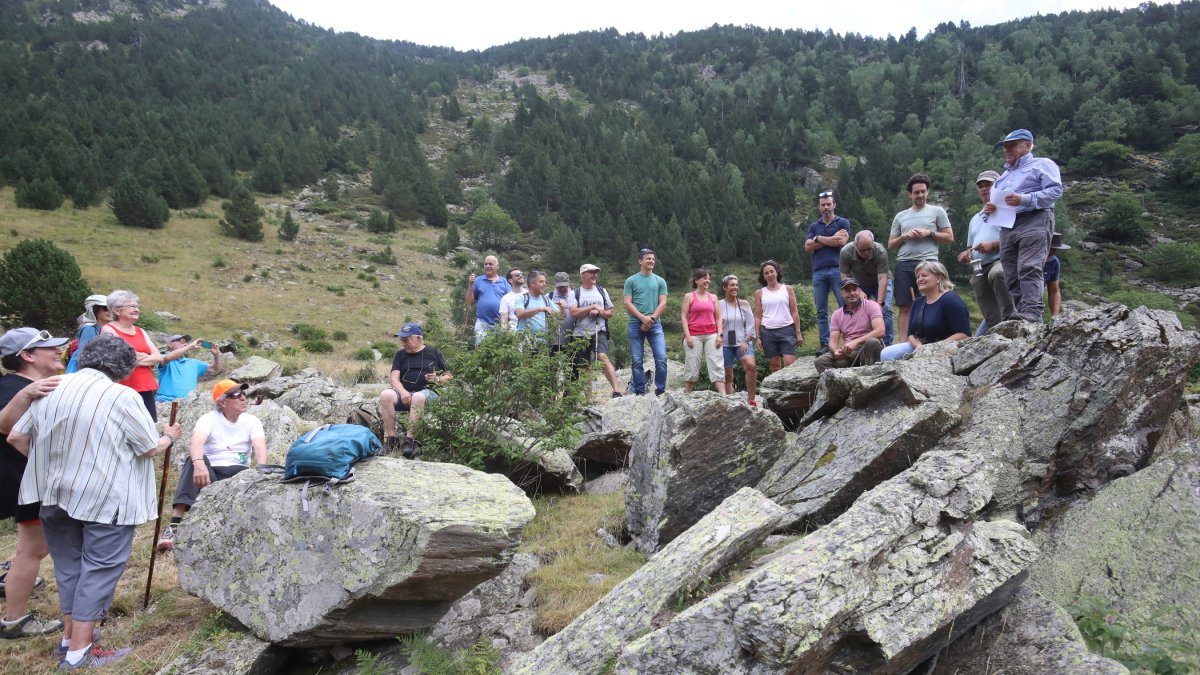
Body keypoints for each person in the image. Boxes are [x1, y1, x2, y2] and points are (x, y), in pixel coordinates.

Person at [10, 335, 180, 670]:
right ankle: (79, 654)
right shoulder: (122, 395)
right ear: (123, 367)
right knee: (99, 569)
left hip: (53, 494)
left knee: (69, 566)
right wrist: (170, 436)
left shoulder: (52, 387)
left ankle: (69, 639)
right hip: (106, 498)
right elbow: (148, 447)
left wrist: (50, 465)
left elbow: (16, 436)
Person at [0, 328, 68, 640]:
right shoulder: (14, 386)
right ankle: (13, 620)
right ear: (26, 356)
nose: (58, 352)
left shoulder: (31, 385)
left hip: (29, 478)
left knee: (32, 549)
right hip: (26, 480)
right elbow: (5, 426)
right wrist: (26, 395)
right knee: (33, 549)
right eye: (49, 348)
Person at [156, 379, 265, 551]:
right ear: (222, 402)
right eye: (237, 395)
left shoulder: (252, 421)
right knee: (194, 461)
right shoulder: (208, 419)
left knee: (200, 462)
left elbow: (259, 447)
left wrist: (262, 470)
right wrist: (199, 464)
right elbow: (195, 443)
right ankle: (174, 526)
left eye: (243, 393)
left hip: (239, 474)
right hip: (210, 473)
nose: (243, 398)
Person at [984, 129, 1064, 322]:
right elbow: (997, 206)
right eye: (1005, 146)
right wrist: (988, 212)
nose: (1007, 150)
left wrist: (1024, 199)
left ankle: (1032, 313)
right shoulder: (1002, 177)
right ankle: (1023, 314)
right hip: (1007, 225)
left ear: (1027, 146)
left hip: (1035, 219)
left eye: (1012, 145)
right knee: (1010, 273)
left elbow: (1055, 191)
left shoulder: (1042, 164)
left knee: (1029, 266)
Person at [888, 174, 954, 343]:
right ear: (909, 194)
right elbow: (891, 245)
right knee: (904, 306)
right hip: (904, 263)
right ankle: (903, 345)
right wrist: (905, 236)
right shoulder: (900, 216)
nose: (920, 196)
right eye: (916, 192)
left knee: (931, 301)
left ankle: (930, 340)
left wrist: (929, 233)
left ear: (927, 192)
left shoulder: (937, 211)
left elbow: (949, 237)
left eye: (923, 192)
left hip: (929, 263)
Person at [379, 322, 451, 458]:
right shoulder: (400, 355)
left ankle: (409, 441)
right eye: (402, 339)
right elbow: (394, 378)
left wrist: (436, 380)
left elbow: (448, 376)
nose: (403, 342)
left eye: (406, 339)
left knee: (418, 396)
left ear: (418, 338)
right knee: (385, 395)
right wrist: (403, 392)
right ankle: (391, 440)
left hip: (428, 394)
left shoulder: (434, 352)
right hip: (405, 394)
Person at [957, 170, 1015, 333]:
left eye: (988, 185)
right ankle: (997, 333)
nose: (984, 189)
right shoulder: (975, 219)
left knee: (997, 274)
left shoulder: (1006, 210)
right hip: (980, 267)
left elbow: (1016, 238)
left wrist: (994, 245)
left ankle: (1013, 319)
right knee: (990, 313)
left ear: (998, 186)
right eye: (980, 186)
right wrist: (966, 254)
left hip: (1001, 261)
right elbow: (971, 246)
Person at [881, 261, 971, 361]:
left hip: (946, 349)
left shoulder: (951, 300)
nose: (919, 279)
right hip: (922, 348)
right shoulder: (918, 302)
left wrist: (935, 348)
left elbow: (964, 334)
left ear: (939, 278)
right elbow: (911, 334)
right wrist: (920, 347)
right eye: (918, 277)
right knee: (886, 353)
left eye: (924, 275)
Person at [99, 289, 161, 419]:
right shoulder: (108, 329)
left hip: (145, 387)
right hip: (123, 387)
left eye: (137, 306)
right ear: (116, 310)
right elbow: (123, 356)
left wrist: (132, 360)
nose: (137, 309)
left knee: (150, 426)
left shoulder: (140, 331)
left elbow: (157, 357)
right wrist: (143, 357)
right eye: (132, 306)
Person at [805, 191, 852, 353]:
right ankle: (825, 344)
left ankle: (850, 340)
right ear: (819, 207)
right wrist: (831, 238)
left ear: (834, 205)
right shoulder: (813, 226)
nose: (826, 207)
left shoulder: (843, 222)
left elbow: (841, 241)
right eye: (823, 205)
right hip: (818, 272)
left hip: (838, 269)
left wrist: (818, 238)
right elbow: (807, 247)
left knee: (845, 305)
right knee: (821, 311)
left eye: (828, 204)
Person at [570, 264, 623, 398]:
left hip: (600, 330)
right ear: (583, 275)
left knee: (602, 357)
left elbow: (610, 312)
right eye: (591, 273)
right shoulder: (575, 293)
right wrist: (591, 308)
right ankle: (588, 398)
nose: (595, 275)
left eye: (596, 273)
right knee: (585, 365)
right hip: (580, 334)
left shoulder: (601, 291)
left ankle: (616, 391)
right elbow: (574, 313)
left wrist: (601, 311)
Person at [623, 248, 668, 396]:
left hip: (655, 324)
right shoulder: (631, 281)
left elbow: (663, 303)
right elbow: (627, 303)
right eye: (648, 258)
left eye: (653, 259)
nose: (651, 261)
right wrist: (643, 318)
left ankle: (660, 392)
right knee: (636, 360)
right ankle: (640, 392)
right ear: (640, 261)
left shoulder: (660, 281)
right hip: (635, 324)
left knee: (661, 359)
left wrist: (652, 319)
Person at [815, 279, 885, 373]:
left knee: (872, 342)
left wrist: (855, 342)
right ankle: (841, 385)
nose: (852, 293)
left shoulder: (871, 305)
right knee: (820, 361)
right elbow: (832, 342)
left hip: (868, 348)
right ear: (841, 293)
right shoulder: (837, 314)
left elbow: (880, 331)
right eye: (847, 290)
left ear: (859, 291)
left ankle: (872, 378)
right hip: (849, 353)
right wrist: (836, 350)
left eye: (855, 289)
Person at [840, 231, 894, 346]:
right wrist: (858, 291)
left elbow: (882, 279)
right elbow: (845, 276)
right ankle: (859, 344)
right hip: (859, 283)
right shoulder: (845, 252)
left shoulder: (880, 251)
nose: (866, 253)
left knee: (886, 309)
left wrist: (880, 302)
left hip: (880, 281)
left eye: (869, 249)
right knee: (858, 310)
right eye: (862, 250)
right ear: (855, 245)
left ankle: (888, 345)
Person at [680, 268, 726, 394]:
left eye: (708, 278)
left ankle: (723, 396)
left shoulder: (713, 297)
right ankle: (687, 394)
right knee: (692, 364)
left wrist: (719, 335)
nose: (708, 281)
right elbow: (684, 317)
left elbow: (718, 317)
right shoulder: (689, 297)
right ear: (696, 280)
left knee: (716, 363)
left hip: (712, 334)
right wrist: (688, 336)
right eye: (705, 278)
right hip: (694, 335)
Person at [754, 259, 804, 373]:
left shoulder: (787, 289)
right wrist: (757, 336)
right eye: (766, 273)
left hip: (787, 329)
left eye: (772, 271)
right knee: (774, 366)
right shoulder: (759, 293)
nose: (770, 274)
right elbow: (757, 316)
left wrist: (798, 333)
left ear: (777, 272)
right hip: (768, 332)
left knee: (789, 363)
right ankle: (778, 390)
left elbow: (794, 312)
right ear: (763, 276)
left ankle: (791, 389)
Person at [718, 274, 757, 407]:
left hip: (742, 342)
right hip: (724, 344)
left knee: (750, 365)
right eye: (732, 285)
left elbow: (751, 324)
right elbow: (713, 323)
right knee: (728, 376)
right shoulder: (718, 304)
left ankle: (751, 400)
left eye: (736, 285)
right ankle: (730, 403)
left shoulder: (744, 304)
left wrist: (746, 341)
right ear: (725, 287)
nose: (735, 287)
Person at [156, 334, 222, 403]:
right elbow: (168, 358)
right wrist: (190, 347)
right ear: (170, 345)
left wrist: (216, 355)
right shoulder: (162, 357)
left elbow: (215, 369)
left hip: (186, 404)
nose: (185, 344)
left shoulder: (194, 362)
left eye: (186, 343)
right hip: (165, 402)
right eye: (182, 342)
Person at [466, 256, 512, 344]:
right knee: (481, 347)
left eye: (490, 264)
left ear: (497, 266)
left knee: (497, 352)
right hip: (482, 323)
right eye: (485, 264)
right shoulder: (478, 280)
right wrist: (470, 285)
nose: (487, 266)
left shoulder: (505, 282)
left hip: (500, 325)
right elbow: (469, 302)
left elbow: (511, 302)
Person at [65, 295, 109, 374]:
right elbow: (84, 356)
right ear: (94, 310)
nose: (110, 312)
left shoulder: (104, 328)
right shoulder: (89, 329)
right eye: (106, 308)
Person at [514, 270, 559, 340]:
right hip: (525, 343)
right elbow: (519, 314)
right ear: (532, 284)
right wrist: (540, 309)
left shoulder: (546, 299)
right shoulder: (522, 298)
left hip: (543, 343)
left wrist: (563, 307)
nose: (545, 284)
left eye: (545, 282)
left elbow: (559, 316)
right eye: (541, 281)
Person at [1045, 231, 1070, 317]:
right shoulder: (1025, 258)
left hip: (1034, 307)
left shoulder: (1054, 262)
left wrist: (1055, 316)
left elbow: (1054, 291)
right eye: (1051, 249)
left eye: (1055, 249)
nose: (1054, 253)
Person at [549, 272, 575, 354]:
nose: (563, 289)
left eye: (564, 286)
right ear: (555, 285)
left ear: (569, 283)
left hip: (574, 340)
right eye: (560, 287)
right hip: (554, 341)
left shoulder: (576, 295)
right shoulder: (549, 297)